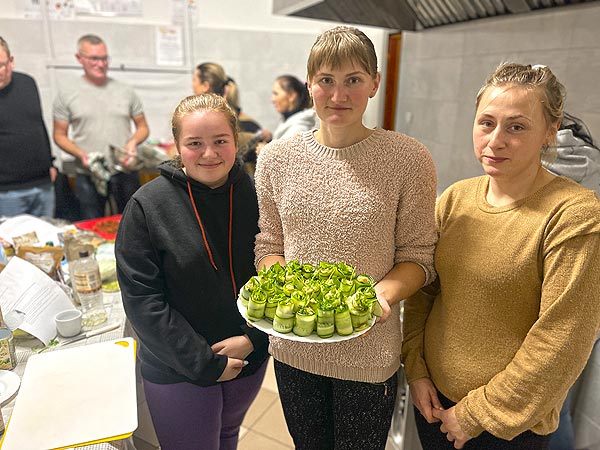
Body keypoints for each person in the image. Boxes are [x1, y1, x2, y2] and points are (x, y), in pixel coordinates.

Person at [254, 26, 437, 450]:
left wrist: (380, 296)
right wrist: (286, 290)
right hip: (293, 349)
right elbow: (269, 244)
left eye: (353, 79)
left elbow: (419, 257)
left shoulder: (408, 159)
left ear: (374, 83)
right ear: (309, 85)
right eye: (327, 81)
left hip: (368, 352)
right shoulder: (277, 159)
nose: (339, 95)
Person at [401, 63, 600, 450]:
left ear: (549, 131)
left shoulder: (573, 214)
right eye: (486, 123)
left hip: (507, 427)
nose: (495, 141)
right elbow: (424, 290)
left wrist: (477, 414)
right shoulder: (457, 198)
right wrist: (417, 370)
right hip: (434, 404)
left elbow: (563, 338)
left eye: (517, 126)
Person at [115, 93, 269, 450]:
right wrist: (203, 362)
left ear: (236, 141)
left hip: (248, 356)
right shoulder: (147, 207)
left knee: (228, 437)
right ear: (177, 146)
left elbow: (279, 276)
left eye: (220, 141)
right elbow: (142, 301)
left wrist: (255, 340)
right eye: (195, 143)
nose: (210, 154)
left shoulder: (258, 193)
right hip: (178, 368)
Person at [53, 34, 149, 220]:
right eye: (94, 59)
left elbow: (143, 127)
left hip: (124, 171)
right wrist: (81, 154)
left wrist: (133, 143)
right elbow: (59, 135)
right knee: (92, 224)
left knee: (134, 222)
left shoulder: (125, 91)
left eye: (104, 58)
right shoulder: (67, 94)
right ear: (79, 58)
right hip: (88, 173)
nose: (101, 64)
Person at [0, 36, 55, 217]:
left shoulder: (28, 83)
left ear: (11, 61)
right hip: (7, 192)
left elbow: (38, 125)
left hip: (43, 184)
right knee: (12, 243)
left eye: (1, 65)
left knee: (48, 242)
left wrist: (50, 163)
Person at [269, 74, 317, 140]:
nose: (272, 100)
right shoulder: (290, 122)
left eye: (276, 94)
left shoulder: (298, 130)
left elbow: (285, 150)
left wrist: (264, 149)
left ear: (291, 96)